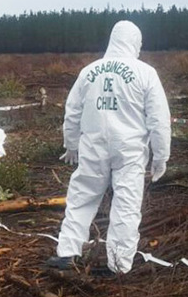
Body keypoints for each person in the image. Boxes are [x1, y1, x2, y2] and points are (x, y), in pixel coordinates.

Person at [47, 20, 171, 275]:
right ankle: (118, 264)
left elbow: (72, 111)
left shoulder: (89, 71)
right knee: (126, 203)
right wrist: (161, 156)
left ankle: (68, 252)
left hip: (93, 146)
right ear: (135, 41)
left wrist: (71, 144)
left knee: (81, 197)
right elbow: (158, 120)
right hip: (129, 150)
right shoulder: (145, 73)